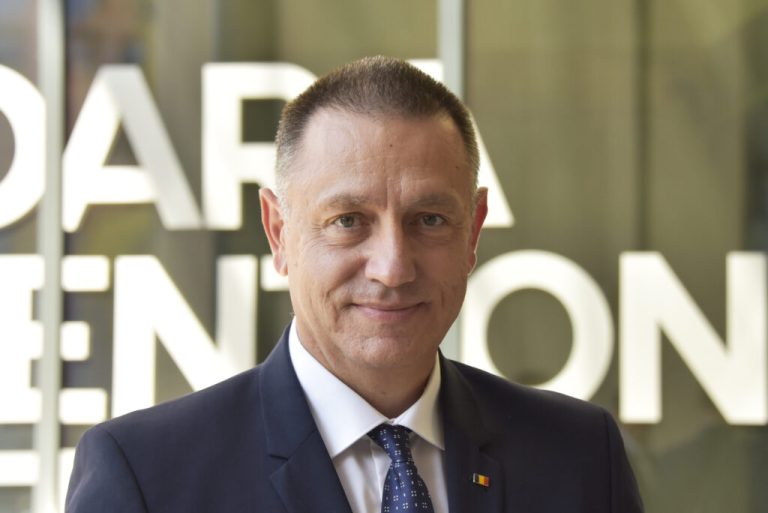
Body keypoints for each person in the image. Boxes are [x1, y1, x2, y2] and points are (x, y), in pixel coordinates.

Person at [66, 56, 643, 513]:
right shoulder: (147, 477)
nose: (392, 268)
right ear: (278, 233)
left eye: (430, 219)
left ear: (473, 232)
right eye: (348, 221)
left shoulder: (579, 457)